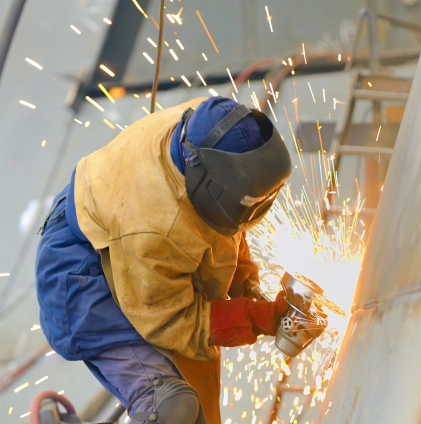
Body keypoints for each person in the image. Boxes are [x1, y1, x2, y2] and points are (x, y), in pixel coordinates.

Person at [35, 96, 293, 424]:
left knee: (203, 416)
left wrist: (250, 288)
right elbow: (177, 322)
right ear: (208, 184)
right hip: (83, 276)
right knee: (173, 407)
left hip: (138, 253)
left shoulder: (214, 129)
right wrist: (255, 317)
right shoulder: (154, 228)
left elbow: (229, 229)